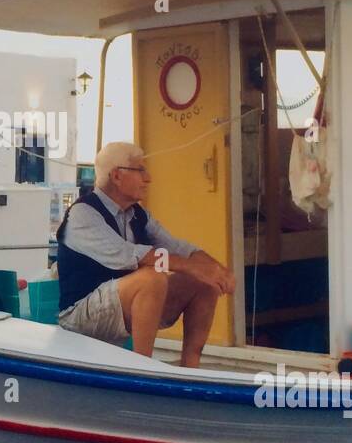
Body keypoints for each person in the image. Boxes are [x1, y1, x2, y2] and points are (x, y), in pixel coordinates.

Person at [56, 141, 236, 368]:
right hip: (80, 316)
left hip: (121, 307)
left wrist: (216, 270)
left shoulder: (138, 214)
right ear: (117, 176)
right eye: (140, 170)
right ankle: (142, 368)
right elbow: (128, 255)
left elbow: (175, 246)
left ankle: (190, 368)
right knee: (152, 277)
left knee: (203, 280)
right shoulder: (83, 213)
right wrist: (191, 266)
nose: (148, 178)